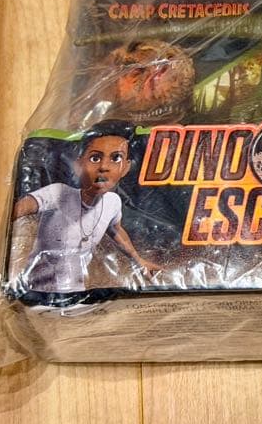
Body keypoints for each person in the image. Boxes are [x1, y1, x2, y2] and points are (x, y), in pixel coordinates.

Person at [12, 121, 160, 294]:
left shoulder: (113, 202)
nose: (104, 167)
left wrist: (139, 261)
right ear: (79, 164)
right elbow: (19, 209)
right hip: (37, 293)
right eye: (95, 158)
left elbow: (116, 229)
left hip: (76, 294)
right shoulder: (58, 193)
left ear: (126, 167)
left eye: (116, 158)